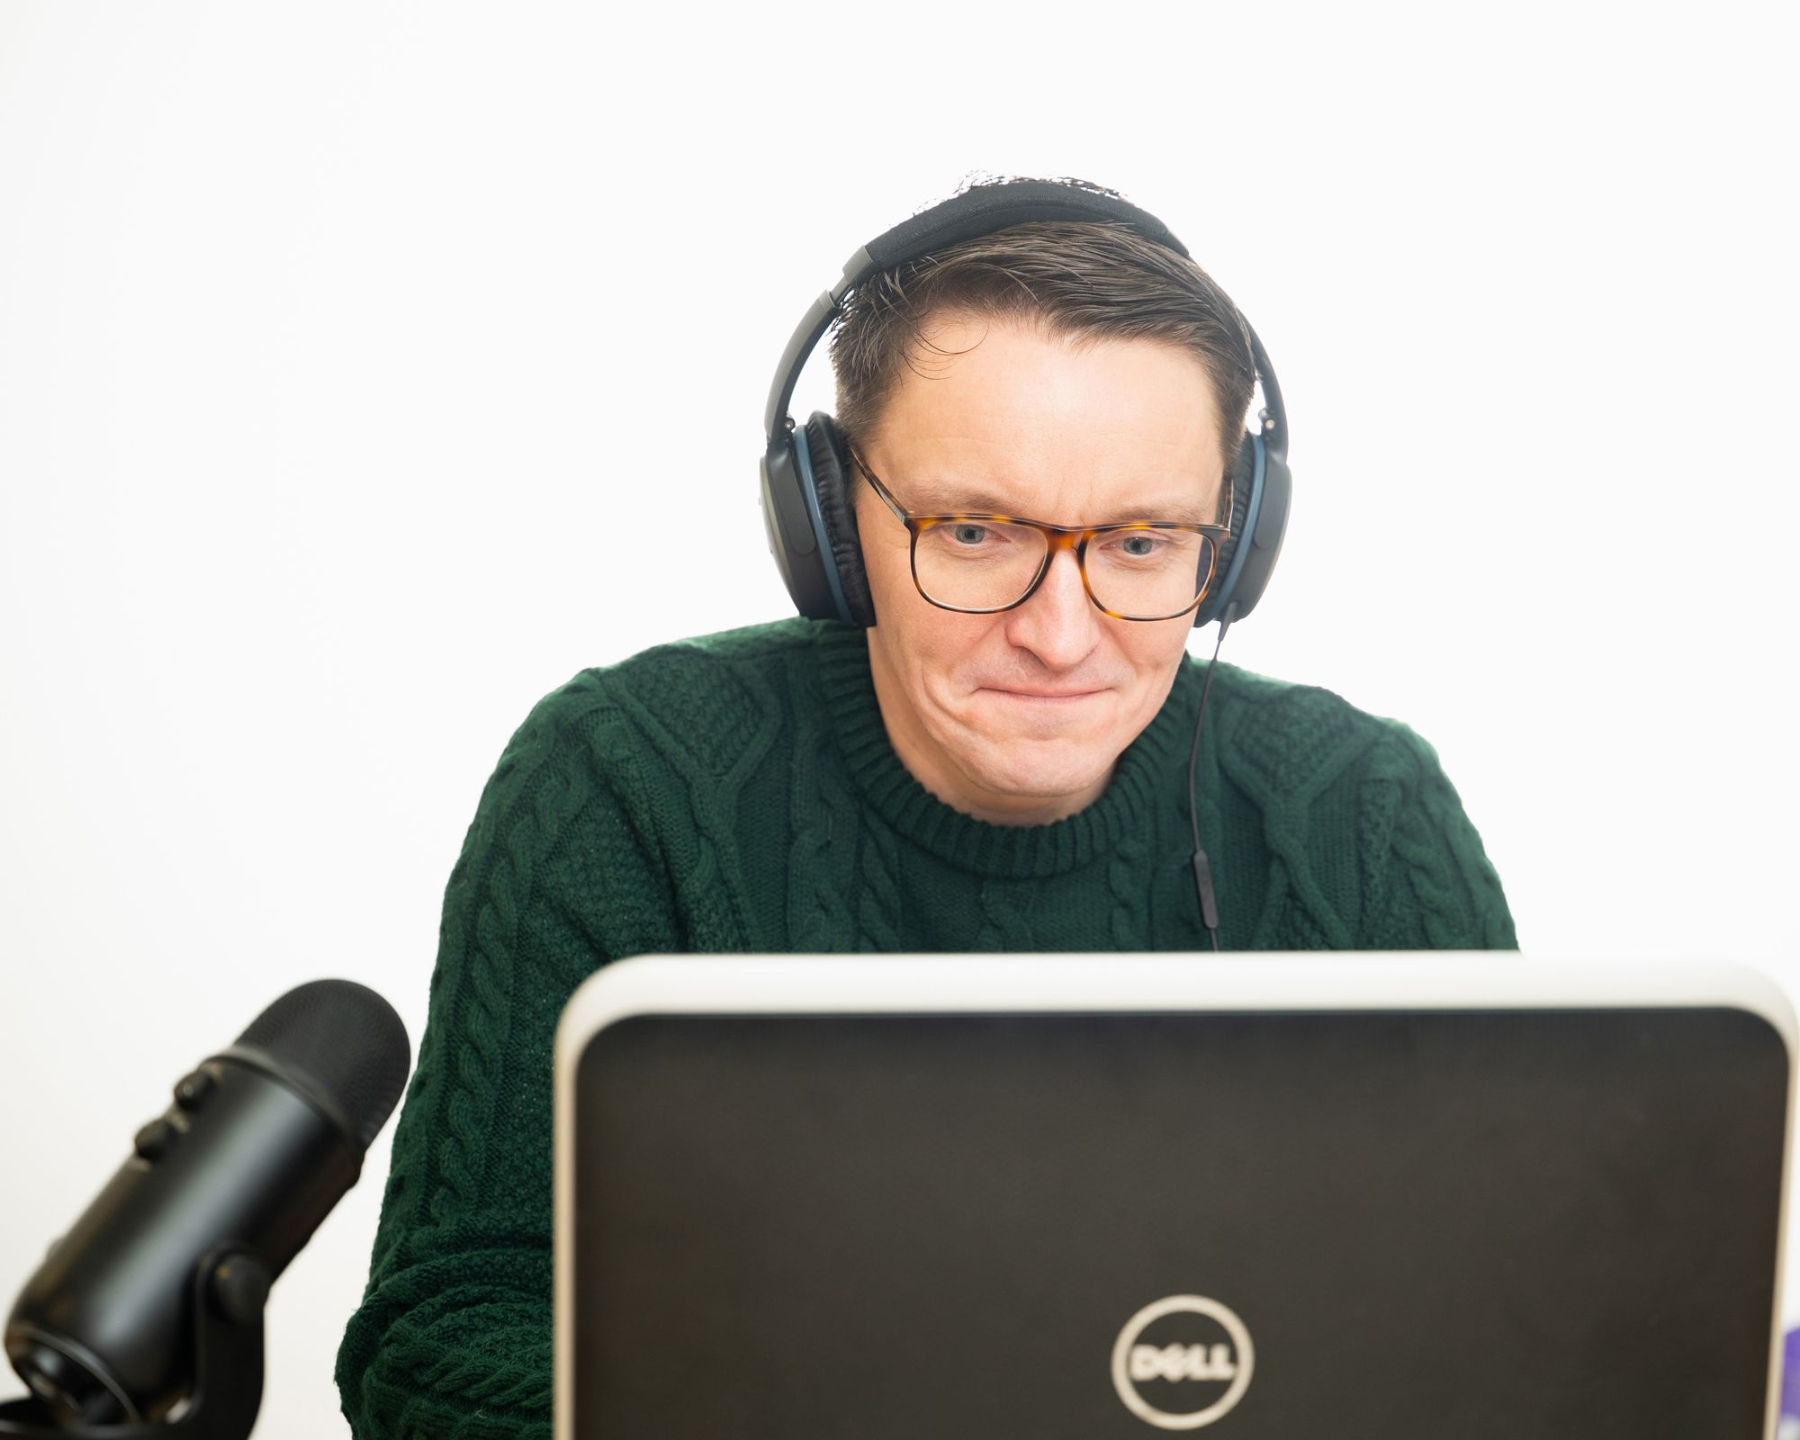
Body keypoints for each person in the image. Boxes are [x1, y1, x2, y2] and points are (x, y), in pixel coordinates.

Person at [334, 175, 1516, 1438]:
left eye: (1140, 544)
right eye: (972, 532)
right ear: (830, 517)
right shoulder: (625, 778)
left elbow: (1531, 1315)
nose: (1063, 637)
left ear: (1231, 550)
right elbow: (447, 1339)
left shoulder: (1368, 812)